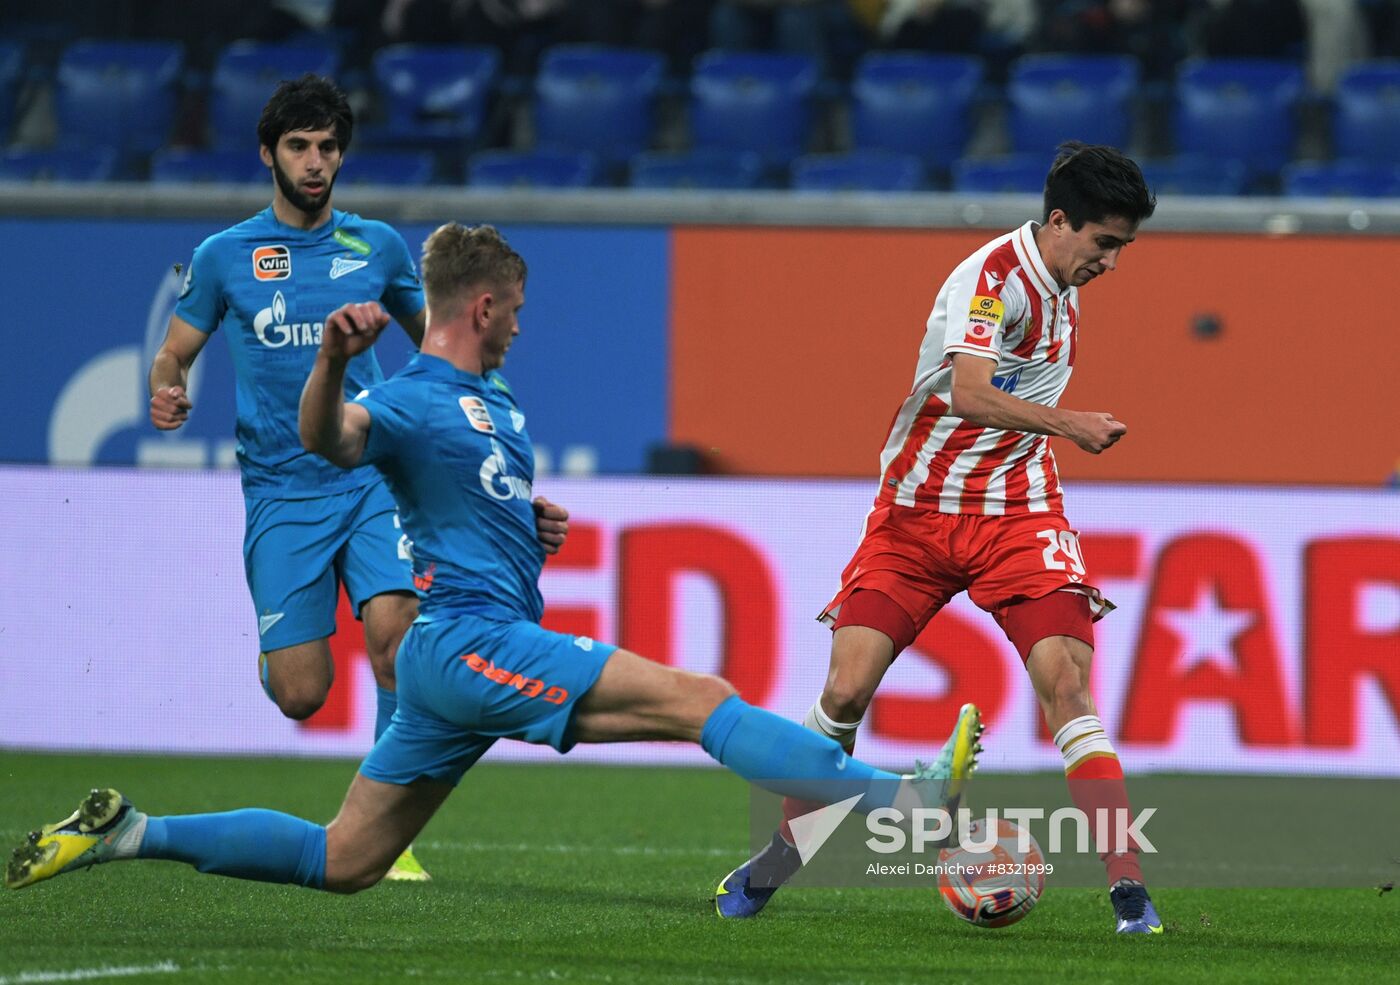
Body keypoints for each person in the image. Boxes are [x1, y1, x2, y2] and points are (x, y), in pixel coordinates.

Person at [5, 223, 981, 898]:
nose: (521, 322)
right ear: (479, 306)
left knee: (344, 860)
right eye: (513, 308)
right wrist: (333, 361)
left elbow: (459, 497)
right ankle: (905, 798)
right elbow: (329, 442)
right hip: (469, 641)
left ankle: (130, 830)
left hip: (452, 656)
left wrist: (528, 521)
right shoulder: (413, 396)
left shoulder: (495, 406)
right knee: (699, 698)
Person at [713, 142, 1164, 935]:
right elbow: (968, 391)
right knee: (845, 691)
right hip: (916, 513)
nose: (1113, 264)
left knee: (1068, 685)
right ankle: (781, 857)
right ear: (1059, 223)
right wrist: (1071, 424)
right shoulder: (989, 280)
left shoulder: (1063, 280)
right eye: (1105, 244)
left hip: (1017, 513)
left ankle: (1131, 894)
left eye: (1122, 247)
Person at [147, 74, 434, 879]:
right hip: (280, 490)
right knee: (303, 693)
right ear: (268, 153)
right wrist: (165, 385)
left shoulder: (375, 246)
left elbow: (434, 343)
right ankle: (281, 652)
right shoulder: (224, 256)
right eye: (300, 146)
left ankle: (389, 832)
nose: (316, 162)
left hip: (370, 469)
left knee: (396, 638)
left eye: (328, 147)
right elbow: (175, 349)